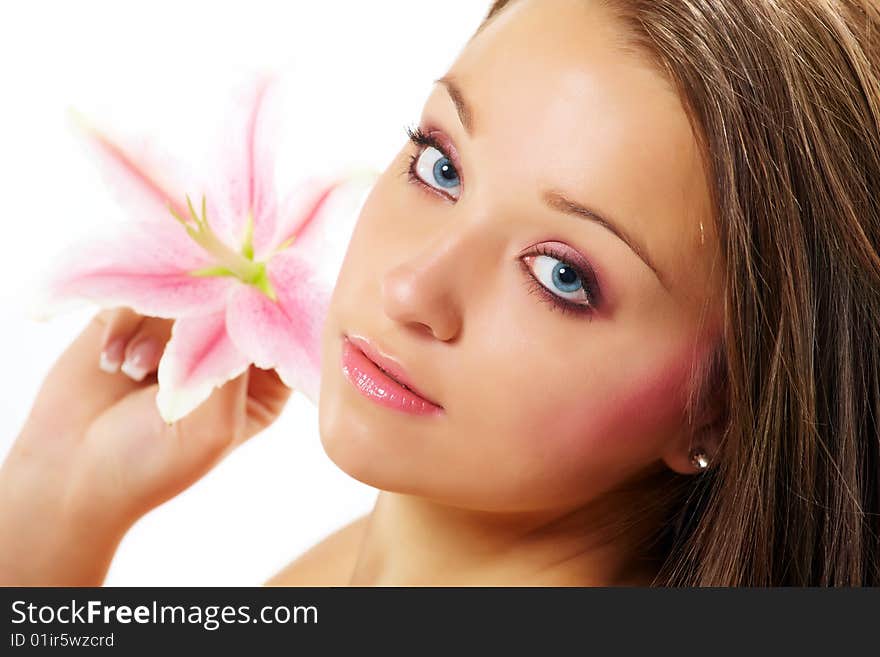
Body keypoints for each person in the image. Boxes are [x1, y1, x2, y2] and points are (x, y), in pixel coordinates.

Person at [2, 0, 879, 587]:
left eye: (562, 275)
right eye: (441, 163)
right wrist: (58, 504)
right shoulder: (365, 564)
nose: (414, 284)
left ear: (721, 406)